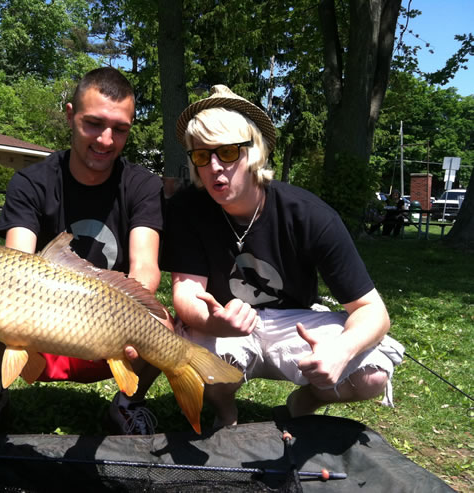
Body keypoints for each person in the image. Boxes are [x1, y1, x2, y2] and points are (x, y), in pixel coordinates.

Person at [160, 85, 405, 428]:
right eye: (202, 155)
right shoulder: (187, 209)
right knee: (189, 360)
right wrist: (216, 322)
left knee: (372, 375)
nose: (215, 166)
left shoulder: (308, 214)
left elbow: (373, 312)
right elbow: (186, 294)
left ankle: (302, 404)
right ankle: (226, 413)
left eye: (228, 152)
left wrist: (341, 351)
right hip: (224, 323)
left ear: (254, 153)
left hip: (295, 323)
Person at [0, 67, 168, 435]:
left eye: (120, 129)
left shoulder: (142, 185)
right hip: (40, 327)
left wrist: (128, 316)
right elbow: (17, 266)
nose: (106, 140)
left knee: (164, 325)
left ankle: (127, 404)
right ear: (70, 115)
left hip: (109, 329)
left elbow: (146, 267)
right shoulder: (31, 182)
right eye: (93, 124)